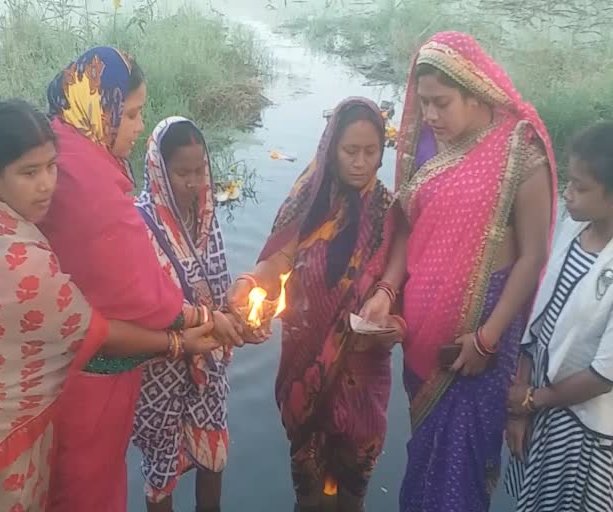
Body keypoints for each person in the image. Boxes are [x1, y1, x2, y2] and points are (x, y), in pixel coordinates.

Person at [0, 99, 219, 511]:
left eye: (52, 166)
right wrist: (179, 343)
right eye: (29, 172)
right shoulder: (21, 260)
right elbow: (97, 334)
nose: (47, 185)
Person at [357, 31, 557, 512]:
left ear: (477, 91)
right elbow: (408, 224)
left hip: (476, 351)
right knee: (424, 464)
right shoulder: (431, 146)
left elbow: (532, 255)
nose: (429, 116)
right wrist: (387, 288)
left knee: (456, 481)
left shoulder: (519, 152)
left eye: (441, 103)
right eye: (423, 102)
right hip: (424, 344)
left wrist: (486, 339)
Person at [40, 48, 230, 512]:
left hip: (87, 365)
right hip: (106, 375)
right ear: (97, 107)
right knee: (96, 486)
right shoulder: (96, 189)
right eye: (130, 113)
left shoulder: (70, 154)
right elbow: (143, 297)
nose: (138, 124)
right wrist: (202, 320)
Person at [228, 98, 404, 512]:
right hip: (305, 364)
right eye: (350, 151)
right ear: (330, 149)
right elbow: (279, 262)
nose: (360, 163)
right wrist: (250, 281)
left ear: (382, 152)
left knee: (352, 491)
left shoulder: (391, 212)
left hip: (364, 369)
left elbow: (400, 292)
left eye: (370, 152)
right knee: (308, 491)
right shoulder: (309, 204)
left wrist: (394, 327)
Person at [132, 117, 243, 512]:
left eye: (200, 171)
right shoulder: (139, 224)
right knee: (161, 471)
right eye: (182, 173)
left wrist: (241, 314)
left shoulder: (207, 217)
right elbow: (144, 305)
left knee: (213, 454)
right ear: (159, 171)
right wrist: (211, 321)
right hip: (160, 366)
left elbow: (218, 287)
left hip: (207, 360)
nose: (194, 182)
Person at [505, 122, 613, 512]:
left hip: (584, 433)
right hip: (541, 412)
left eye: (581, 188)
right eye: (570, 180)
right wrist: (521, 404)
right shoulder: (572, 228)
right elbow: (537, 319)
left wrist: (532, 400)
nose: (567, 192)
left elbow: (603, 375)